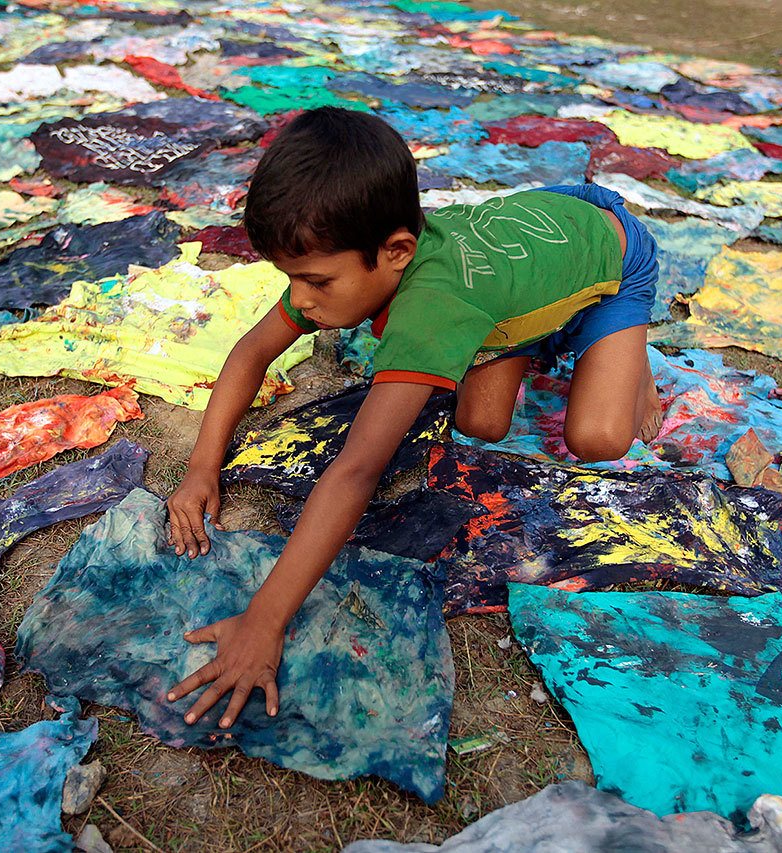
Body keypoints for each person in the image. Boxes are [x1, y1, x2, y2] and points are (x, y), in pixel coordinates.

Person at [163, 107, 661, 729]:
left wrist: (263, 621)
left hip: (611, 250)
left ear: (397, 250)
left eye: (315, 280)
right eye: (291, 279)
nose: (303, 299)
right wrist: (201, 468)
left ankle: (613, 343)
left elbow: (356, 472)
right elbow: (252, 351)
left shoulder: (430, 311)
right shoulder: (356, 251)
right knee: (481, 425)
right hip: (532, 239)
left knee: (599, 437)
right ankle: (529, 325)